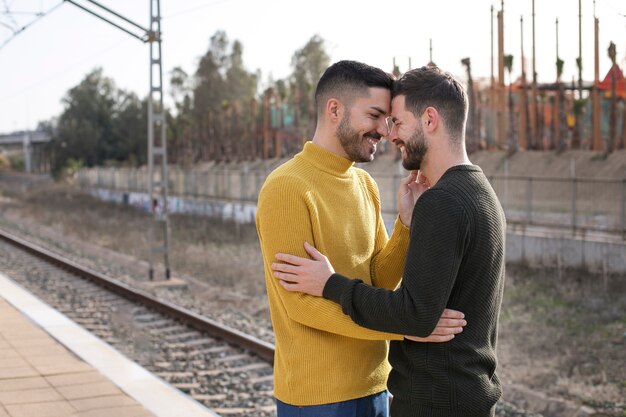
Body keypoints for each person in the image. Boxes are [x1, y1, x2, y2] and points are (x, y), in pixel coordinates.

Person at [272, 65, 507, 417]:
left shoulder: (368, 186)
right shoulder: (286, 187)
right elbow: (301, 304)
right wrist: (405, 328)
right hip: (318, 396)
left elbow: (379, 281)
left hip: (379, 388)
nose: (386, 131)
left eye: (393, 120)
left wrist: (404, 229)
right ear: (334, 110)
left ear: (429, 120)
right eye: (377, 115)